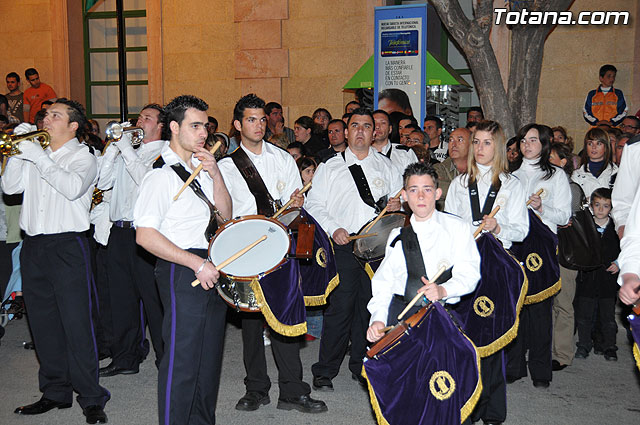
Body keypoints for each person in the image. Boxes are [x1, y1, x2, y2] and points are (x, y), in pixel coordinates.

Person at [217, 94, 327, 414]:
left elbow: (295, 205)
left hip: (280, 248)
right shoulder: (226, 165)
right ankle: (256, 388)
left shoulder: (282, 158)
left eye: (263, 119)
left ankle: (293, 390)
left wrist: (293, 207)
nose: (259, 125)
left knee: (285, 319)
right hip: (244, 252)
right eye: (251, 119)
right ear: (238, 125)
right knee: (251, 324)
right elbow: (223, 213)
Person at [3, 99, 109, 423]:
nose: (46, 119)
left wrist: (37, 156)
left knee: (77, 323)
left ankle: (91, 397)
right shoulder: (36, 152)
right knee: (43, 324)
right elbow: (8, 187)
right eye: (46, 114)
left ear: (73, 125)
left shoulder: (85, 156)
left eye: (55, 115)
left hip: (67, 245)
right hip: (33, 246)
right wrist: (20, 155)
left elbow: (73, 187)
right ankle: (54, 392)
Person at [133, 95, 232, 425]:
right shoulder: (160, 175)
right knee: (182, 359)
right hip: (182, 269)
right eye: (195, 125)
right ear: (174, 128)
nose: (204, 132)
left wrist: (216, 173)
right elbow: (145, 235)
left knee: (208, 359)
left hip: (211, 265)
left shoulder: (201, 168)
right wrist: (194, 263)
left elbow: (225, 216)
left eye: (205, 125)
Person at [306, 107, 402, 391]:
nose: (360, 130)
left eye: (367, 126)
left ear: (375, 133)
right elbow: (314, 205)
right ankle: (325, 369)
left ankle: (362, 364)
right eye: (355, 125)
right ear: (346, 132)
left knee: (369, 307)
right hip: (343, 243)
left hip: (377, 248)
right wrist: (333, 228)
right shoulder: (329, 167)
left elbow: (398, 205)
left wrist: (398, 207)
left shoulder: (388, 167)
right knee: (340, 307)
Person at [444, 120, 528, 425]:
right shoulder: (458, 184)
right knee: (463, 337)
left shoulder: (512, 185)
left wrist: (499, 226)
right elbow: (449, 226)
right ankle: (468, 406)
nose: (480, 149)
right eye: (476, 142)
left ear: (500, 147)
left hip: (496, 268)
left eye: (486, 143)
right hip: (465, 267)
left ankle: (493, 412)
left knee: (492, 338)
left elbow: (521, 230)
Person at [367, 161, 481, 333]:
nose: (420, 196)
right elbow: (384, 284)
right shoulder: (397, 235)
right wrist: (378, 319)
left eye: (427, 189)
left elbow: (469, 274)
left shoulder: (457, 228)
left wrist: (443, 290)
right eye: (413, 190)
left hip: (440, 316)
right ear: (404, 195)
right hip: (400, 317)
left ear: (437, 193)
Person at [96, 104, 167, 377]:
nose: (139, 122)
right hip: (119, 232)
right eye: (140, 117)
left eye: (147, 118)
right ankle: (125, 357)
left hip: (146, 234)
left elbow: (147, 182)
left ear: (160, 126)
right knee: (121, 299)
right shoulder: (129, 152)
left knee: (153, 300)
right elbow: (102, 183)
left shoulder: (163, 154)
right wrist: (113, 150)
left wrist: (125, 149)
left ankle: (166, 357)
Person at [508, 123, 572, 388]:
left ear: (544, 144)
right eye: (523, 140)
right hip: (514, 244)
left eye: (533, 140)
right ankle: (514, 366)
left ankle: (541, 370)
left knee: (540, 310)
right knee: (515, 307)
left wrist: (541, 207)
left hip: (542, 247)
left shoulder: (555, 175)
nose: (526, 145)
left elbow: (565, 216)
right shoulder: (510, 175)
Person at [573, 188, 620, 362]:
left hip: (608, 280)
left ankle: (609, 346)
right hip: (587, 279)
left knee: (607, 318)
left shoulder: (616, 228)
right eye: (597, 205)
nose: (601, 209)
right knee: (584, 316)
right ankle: (584, 345)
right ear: (591, 206)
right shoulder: (585, 226)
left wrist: (618, 263)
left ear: (612, 208)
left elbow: (624, 249)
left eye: (606, 206)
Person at [571, 127, 618, 203]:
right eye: (590, 143)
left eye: (599, 143)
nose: (594, 147)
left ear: (606, 147)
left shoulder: (616, 173)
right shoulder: (577, 175)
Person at [434, 127, 470, 210]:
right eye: (451, 140)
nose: (454, 145)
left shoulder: (480, 169)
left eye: (460, 140)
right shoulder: (438, 169)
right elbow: (434, 188)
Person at [372, 109, 418, 173]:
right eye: (374, 123)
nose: (377, 126)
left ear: (390, 129)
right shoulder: (359, 154)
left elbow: (415, 179)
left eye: (383, 123)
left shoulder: (404, 153)